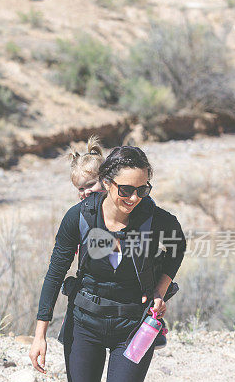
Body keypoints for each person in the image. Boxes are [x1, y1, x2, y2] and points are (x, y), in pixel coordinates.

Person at [30, 145, 187, 382]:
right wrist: (40, 333)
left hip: (133, 329)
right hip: (84, 323)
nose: (134, 197)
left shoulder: (154, 219)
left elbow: (177, 246)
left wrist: (160, 291)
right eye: (126, 189)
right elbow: (56, 272)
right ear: (106, 183)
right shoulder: (80, 218)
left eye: (142, 189)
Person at [68, 138, 168, 351]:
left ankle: (154, 323)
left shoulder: (138, 207)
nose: (85, 192)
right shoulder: (84, 214)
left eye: (90, 185)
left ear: (105, 182)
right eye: (80, 188)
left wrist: (159, 290)